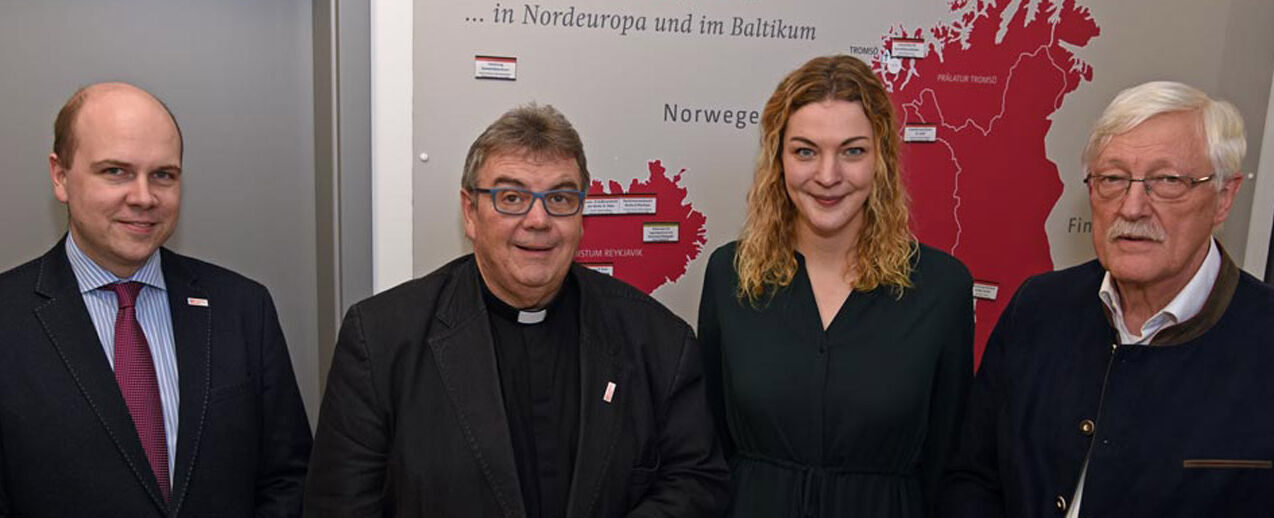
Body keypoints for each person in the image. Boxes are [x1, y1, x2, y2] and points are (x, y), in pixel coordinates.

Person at [304, 103, 730, 517]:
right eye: (511, 197)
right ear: (471, 212)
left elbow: (696, 483)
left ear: (581, 214)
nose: (539, 220)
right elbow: (340, 505)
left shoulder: (658, 340)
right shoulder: (381, 339)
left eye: (560, 198)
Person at [942, 81, 1274, 517]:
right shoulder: (1038, 309)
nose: (1132, 207)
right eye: (1113, 179)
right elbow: (974, 478)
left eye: (1167, 180)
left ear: (1223, 198)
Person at [0, 82, 312, 516]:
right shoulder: (7, 320)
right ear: (60, 175)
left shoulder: (243, 308)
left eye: (163, 175)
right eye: (116, 171)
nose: (144, 197)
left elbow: (288, 477)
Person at [697, 55, 974, 517]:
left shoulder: (941, 288)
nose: (828, 176)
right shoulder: (730, 274)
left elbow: (949, 458)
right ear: (778, 159)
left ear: (881, 158)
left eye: (852, 151)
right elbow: (710, 440)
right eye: (805, 151)